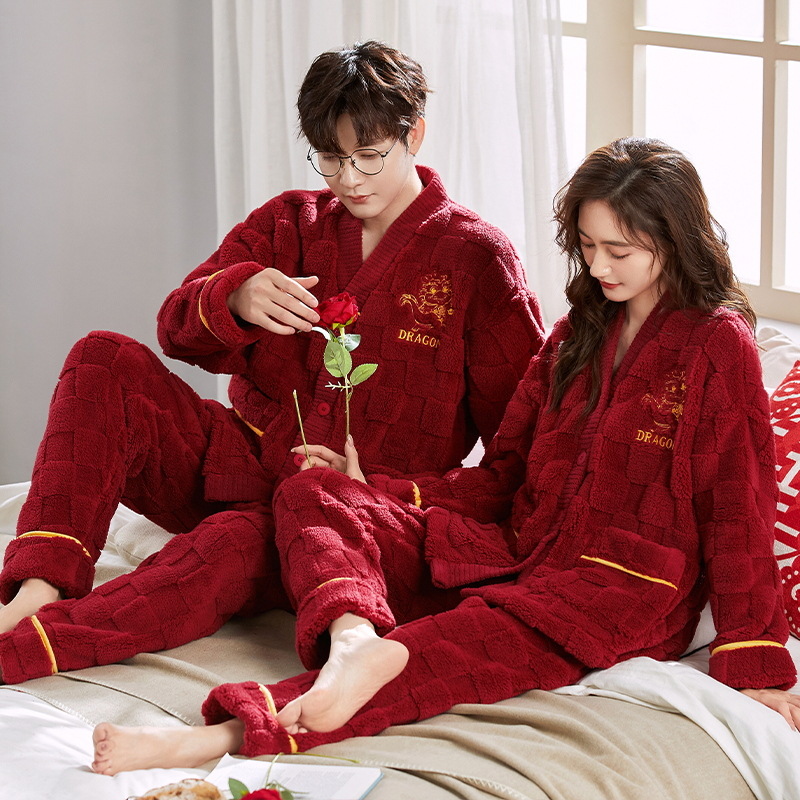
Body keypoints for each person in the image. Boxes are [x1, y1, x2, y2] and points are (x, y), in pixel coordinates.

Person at [89, 136, 800, 776]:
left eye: (621, 250)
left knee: (457, 646)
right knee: (311, 493)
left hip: (621, 588)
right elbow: (504, 474)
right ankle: (351, 639)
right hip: (518, 550)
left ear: (673, 240)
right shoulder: (576, 334)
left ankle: (216, 737)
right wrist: (379, 491)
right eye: (587, 246)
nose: (599, 266)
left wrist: (757, 665)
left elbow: (738, 507)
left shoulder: (718, 344)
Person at [0, 41, 544, 684]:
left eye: (369, 156)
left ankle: (27, 650)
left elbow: (523, 452)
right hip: (234, 466)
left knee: (230, 544)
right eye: (330, 158)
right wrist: (232, 296)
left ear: (414, 135)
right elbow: (175, 330)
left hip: (345, 519)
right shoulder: (289, 221)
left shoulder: (476, 258)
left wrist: (391, 492)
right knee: (101, 356)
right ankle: (38, 586)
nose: (349, 179)